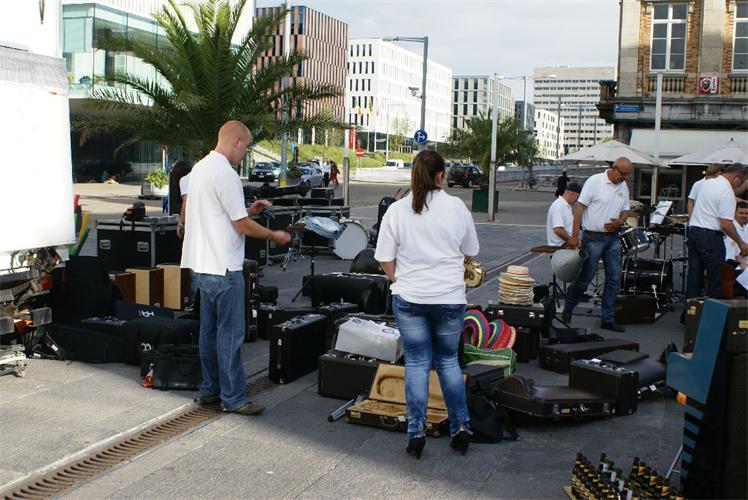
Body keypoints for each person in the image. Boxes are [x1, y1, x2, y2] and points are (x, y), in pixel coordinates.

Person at [181, 120, 291, 415]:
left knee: (208, 333)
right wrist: (273, 235)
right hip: (224, 266)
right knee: (230, 334)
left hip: (201, 264)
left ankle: (210, 390)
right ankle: (234, 398)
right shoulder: (226, 174)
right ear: (237, 141)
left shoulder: (200, 169)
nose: (245, 154)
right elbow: (240, 225)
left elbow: (219, 213)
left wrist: (250, 210)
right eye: (246, 147)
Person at [375, 150, 479, 460]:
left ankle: (416, 433)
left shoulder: (397, 210)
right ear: (440, 176)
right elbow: (471, 249)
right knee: (448, 361)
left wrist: (399, 281)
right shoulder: (456, 207)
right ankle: (461, 428)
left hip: (410, 298)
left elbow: (384, 258)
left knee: (417, 362)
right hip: (449, 297)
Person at [561, 157, 634, 333]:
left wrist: (621, 221)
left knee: (614, 278)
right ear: (614, 168)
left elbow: (625, 209)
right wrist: (574, 236)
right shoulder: (595, 181)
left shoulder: (623, 186)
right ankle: (569, 305)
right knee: (587, 276)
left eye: (627, 175)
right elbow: (579, 209)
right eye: (623, 174)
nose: (625, 178)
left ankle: (608, 318)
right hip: (593, 238)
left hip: (613, 238)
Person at [687, 163, 748, 299]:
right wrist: (741, 243)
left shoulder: (707, 183)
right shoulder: (726, 191)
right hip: (710, 236)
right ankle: (713, 309)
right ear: (737, 178)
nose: (739, 187)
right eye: (741, 183)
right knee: (716, 279)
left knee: (694, 277)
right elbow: (726, 224)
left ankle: (691, 309)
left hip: (694, 232)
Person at [546, 182, 582, 247]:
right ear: (572, 194)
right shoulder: (559, 206)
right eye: (577, 197)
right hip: (560, 247)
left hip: (565, 246)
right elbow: (558, 229)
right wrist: (571, 240)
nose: (576, 200)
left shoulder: (565, 205)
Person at [724, 201, 748, 269]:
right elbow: (734, 255)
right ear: (734, 213)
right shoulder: (731, 228)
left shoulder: (745, 228)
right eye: (741, 213)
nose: (744, 216)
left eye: (746, 213)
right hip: (733, 266)